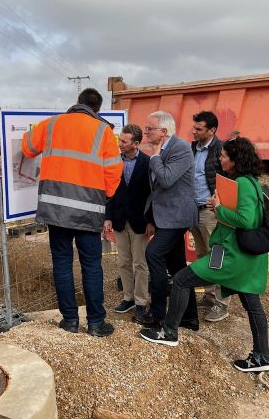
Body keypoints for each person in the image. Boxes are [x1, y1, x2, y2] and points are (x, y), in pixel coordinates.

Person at [139, 137, 269, 374]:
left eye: (223, 156)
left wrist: (219, 209)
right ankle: (262, 356)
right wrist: (218, 206)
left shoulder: (241, 183)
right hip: (246, 259)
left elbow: (246, 220)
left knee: (180, 279)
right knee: (252, 305)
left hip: (232, 256)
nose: (220, 159)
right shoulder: (251, 182)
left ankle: (169, 331)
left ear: (235, 159)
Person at [21, 88, 123, 337]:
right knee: (91, 265)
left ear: (77, 103)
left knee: (62, 264)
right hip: (88, 212)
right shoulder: (103, 131)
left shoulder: (54, 123)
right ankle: (96, 324)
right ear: (97, 109)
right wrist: (105, 196)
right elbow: (113, 170)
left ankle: (69, 321)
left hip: (56, 209)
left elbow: (27, 147)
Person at [133, 111, 199, 330]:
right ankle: (189, 317)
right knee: (178, 268)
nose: (145, 132)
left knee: (153, 253)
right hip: (164, 217)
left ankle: (157, 313)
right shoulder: (161, 149)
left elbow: (167, 179)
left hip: (177, 216)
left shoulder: (179, 148)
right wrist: (151, 218)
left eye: (149, 128)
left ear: (163, 131)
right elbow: (156, 191)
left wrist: (154, 158)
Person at [104, 124, 151, 321]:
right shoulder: (114, 162)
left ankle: (141, 302)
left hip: (140, 222)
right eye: (120, 140)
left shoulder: (148, 163)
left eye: (124, 141)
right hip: (120, 220)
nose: (120, 144)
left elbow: (152, 195)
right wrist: (107, 217)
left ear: (136, 143)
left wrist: (151, 221)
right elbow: (110, 192)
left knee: (140, 264)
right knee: (123, 262)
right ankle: (128, 298)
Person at [190, 111, 231, 322]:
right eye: (194, 127)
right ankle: (208, 294)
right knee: (202, 255)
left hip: (211, 212)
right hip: (194, 210)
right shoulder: (192, 148)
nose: (194, 131)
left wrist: (219, 201)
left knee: (217, 256)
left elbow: (229, 179)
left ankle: (221, 304)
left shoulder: (220, 150)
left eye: (199, 129)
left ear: (212, 130)